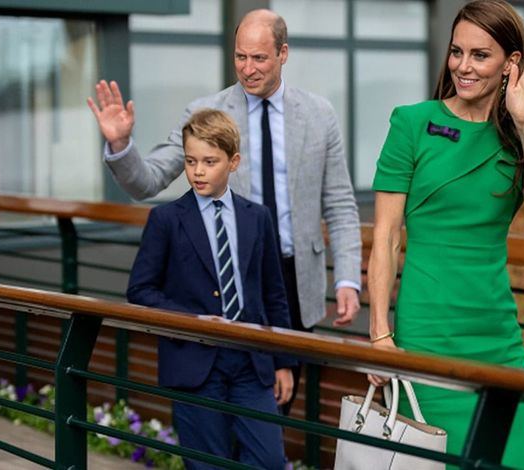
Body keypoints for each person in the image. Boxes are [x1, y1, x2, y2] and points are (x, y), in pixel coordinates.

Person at [86, 9, 361, 413]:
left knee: (274, 409)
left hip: (292, 280)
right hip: (227, 281)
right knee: (220, 414)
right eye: (240, 57)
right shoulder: (205, 113)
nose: (248, 69)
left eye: (260, 58)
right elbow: (146, 182)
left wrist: (349, 278)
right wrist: (120, 145)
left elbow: (339, 202)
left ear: (283, 53)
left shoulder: (320, 114)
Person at [366, 1, 524, 468]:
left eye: (480, 55)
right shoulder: (412, 123)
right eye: (457, 52)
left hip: (496, 333)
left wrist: (523, 120)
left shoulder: (517, 135)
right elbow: (386, 237)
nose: (463, 66)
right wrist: (380, 335)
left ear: (510, 64)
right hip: (427, 331)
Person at [127, 109, 293, 469]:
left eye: (209, 161)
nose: (197, 171)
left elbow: (273, 293)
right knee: (207, 463)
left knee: (269, 460)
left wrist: (283, 362)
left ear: (233, 162)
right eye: (190, 161)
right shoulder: (166, 220)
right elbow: (140, 290)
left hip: (251, 361)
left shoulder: (257, 217)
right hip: (194, 360)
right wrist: (195, 320)